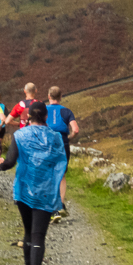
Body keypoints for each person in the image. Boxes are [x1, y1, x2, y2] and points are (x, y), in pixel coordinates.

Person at [0, 101, 66, 265]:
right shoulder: (56, 138)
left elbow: (9, 162)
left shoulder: (20, 135)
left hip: (24, 190)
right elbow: (61, 163)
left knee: (28, 233)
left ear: (27, 117)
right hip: (45, 191)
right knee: (38, 236)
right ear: (45, 116)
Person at [46, 86, 80, 215]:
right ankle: (60, 205)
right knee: (61, 175)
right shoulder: (67, 111)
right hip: (62, 143)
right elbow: (75, 129)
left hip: (47, 144)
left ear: (49, 96)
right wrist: (70, 137)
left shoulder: (43, 110)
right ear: (61, 97)